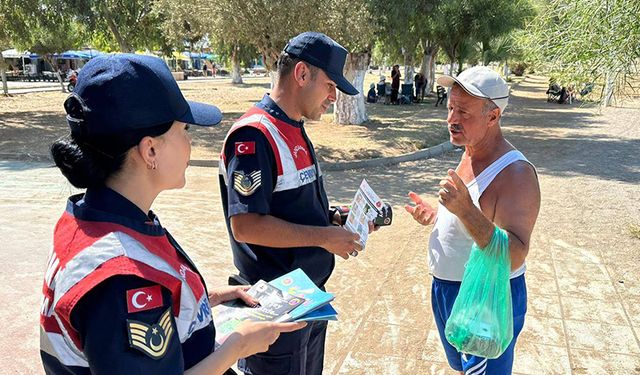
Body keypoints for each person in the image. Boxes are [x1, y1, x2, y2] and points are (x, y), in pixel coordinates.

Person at [39, 54, 305, 375]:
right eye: (184, 130)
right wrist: (240, 345)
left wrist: (211, 298)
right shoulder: (121, 277)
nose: (190, 142)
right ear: (150, 150)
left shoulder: (106, 218)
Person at [218, 31, 379, 375]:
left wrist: (334, 219)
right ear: (302, 74)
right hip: (274, 308)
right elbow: (245, 225)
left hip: (308, 299)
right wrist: (322, 237)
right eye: (330, 85)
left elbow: (293, 206)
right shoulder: (254, 135)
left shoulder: (294, 127)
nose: (334, 97)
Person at [404, 66, 540, 375]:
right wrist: (439, 217)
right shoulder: (470, 152)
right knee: (462, 368)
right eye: (451, 107)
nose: (451, 119)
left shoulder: (516, 174)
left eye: (463, 112)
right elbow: (476, 220)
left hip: (484, 300)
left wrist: (465, 211)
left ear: (493, 116)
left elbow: (515, 253)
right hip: (449, 291)